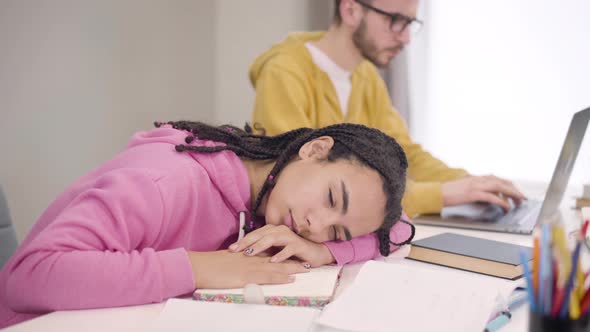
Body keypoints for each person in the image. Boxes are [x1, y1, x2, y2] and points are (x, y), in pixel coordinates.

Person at [0, 121, 414, 328]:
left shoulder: (271, 195)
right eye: (330, 199)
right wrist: (198, 267)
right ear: (315, 149)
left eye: (337, 229)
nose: (314, 225)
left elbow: (398, 228)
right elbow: (28, 277)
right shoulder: (164, 183)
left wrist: (326, 250)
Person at [250, 0, 526, 218]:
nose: (406, 38)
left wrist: (471, 184)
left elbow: (406, 153)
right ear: (350, 10)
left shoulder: (366, 76)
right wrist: (441, 194)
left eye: (410, 24)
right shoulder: (284, 72)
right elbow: (293, 176)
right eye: (396, 21)